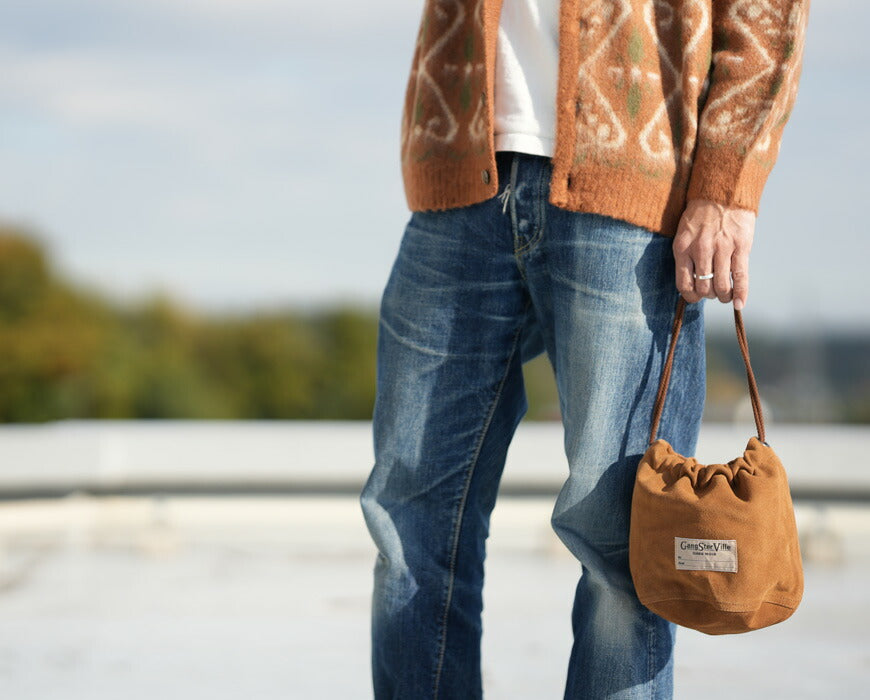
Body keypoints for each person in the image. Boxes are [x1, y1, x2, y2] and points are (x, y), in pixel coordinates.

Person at [359, 0, 810, 697]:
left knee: (626, 545)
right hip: (460, 167)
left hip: (633, 181)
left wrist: (727, 184)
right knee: (408, 526)